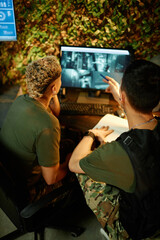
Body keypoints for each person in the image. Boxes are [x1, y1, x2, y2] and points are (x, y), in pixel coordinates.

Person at [69, 60, 160, 240]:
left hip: (140, 229)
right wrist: (124, 100)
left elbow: (73, 163)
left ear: (124, 97)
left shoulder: (120, 152)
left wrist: (92, 134)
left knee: (84, 173)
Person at [0, 56, 82, 205]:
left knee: (69, 143)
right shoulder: (48, 126)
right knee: (79, 167)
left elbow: (53, 113)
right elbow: (51, 179)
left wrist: (53, 93)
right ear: (54, 87)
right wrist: (70, 162)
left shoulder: (21, 100)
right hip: (29, 191)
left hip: (11, 177)